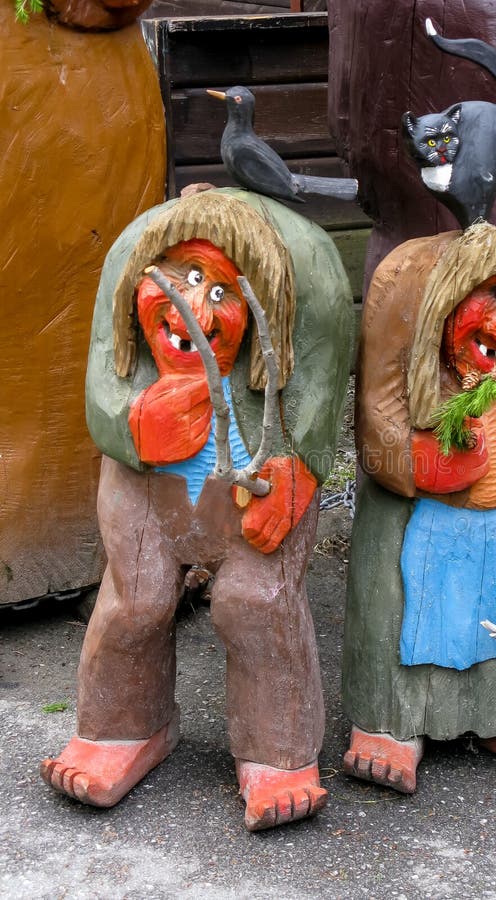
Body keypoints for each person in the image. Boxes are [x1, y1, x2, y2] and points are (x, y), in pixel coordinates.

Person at [41, 189, 352, 831]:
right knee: (136, 598)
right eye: (183, 277)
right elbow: (104, 380)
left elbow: (321, 386)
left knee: (256, 600)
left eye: (221, 290)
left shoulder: (313, 272)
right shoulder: (129, 254)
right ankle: (123, 729)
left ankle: (278, 751)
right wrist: (131, 426)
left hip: (258, 478)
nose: (193, 305)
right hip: (144, 481)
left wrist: (302, 467)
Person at [343, 223, 496, 792]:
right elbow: (379, 414)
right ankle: (392, 723)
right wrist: (418, 462)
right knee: (401, 601)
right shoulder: (408, 286)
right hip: (424, 519)